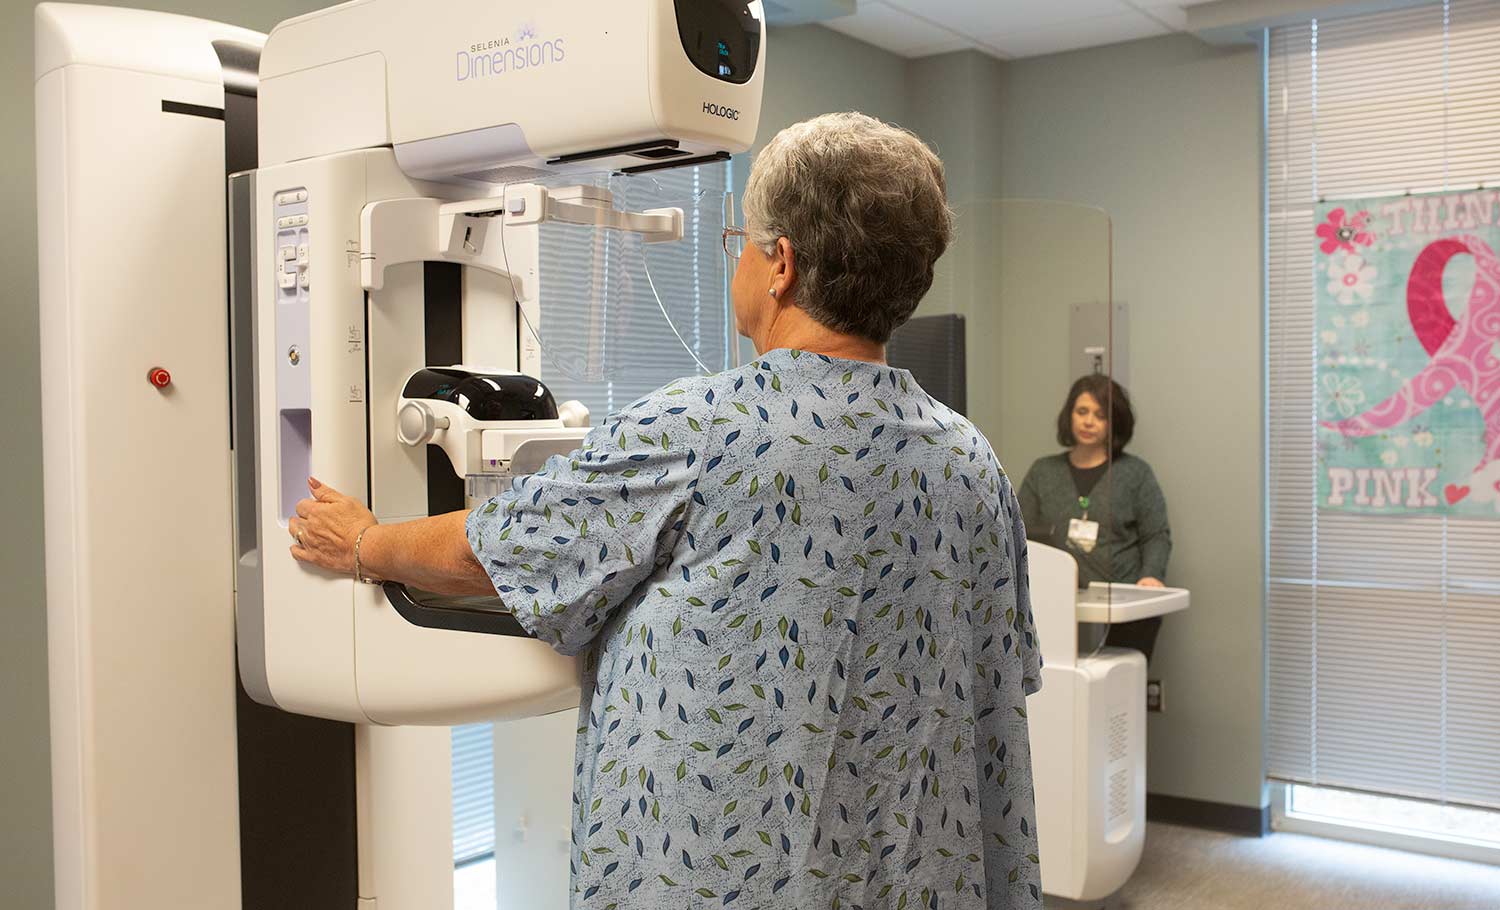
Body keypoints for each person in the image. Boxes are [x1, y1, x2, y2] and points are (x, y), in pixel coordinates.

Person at [289, 112, 1044, 908]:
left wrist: (367, 540)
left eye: (742, 242)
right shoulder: (971, 461)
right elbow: (997, 682)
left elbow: (500, 550)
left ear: (779, 264)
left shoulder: (704, 428)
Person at [1017, 375, 1172, 661]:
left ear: (1116, 423)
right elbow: (1020, 534)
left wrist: (1151, 576)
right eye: (1082, 412)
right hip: (1057, 606)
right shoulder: (1043, 472)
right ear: (1069, 415)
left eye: (1100, 416)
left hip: (1123, 611)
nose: (1089, 422)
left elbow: (1156, 535)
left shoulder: (1136, 474)